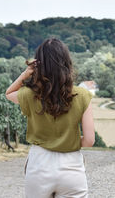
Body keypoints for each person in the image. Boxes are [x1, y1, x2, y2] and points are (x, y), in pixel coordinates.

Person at [6, 38, 95, 198]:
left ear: (38, 65)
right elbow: (89, 140)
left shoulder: (29, 95)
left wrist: (25, 74)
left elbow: (9, 94)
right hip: (72, 168)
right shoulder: (83, 95)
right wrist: (68, 141)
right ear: (67, 63)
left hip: (39, 165)